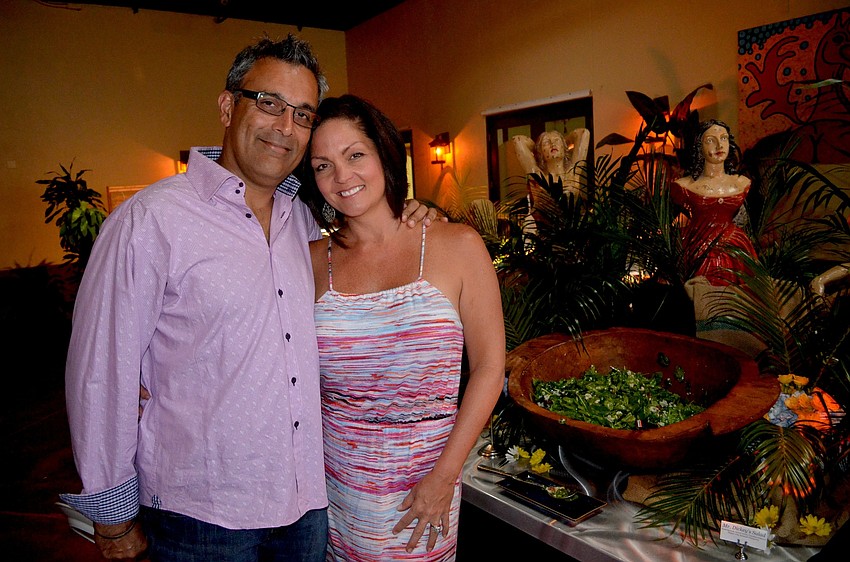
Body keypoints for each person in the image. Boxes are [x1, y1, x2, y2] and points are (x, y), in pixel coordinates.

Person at [60, 35, 436, 561]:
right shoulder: (151, 221)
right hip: (202, 516)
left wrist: (418, 213)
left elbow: (373, 238)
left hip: (308, 505)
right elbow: (102, 372)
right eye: (269, 104)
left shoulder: (305, 221)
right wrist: (112, 515)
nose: (286, 127)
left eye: (303, 114)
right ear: (226, 105)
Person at [300, 95, 505, 561]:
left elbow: (491, 369)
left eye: (355, 155)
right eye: (322, 166)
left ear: (385, 155)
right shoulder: (309, 260)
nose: (342, 177)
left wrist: (444, 478)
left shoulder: (458, 246)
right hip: (336, 492)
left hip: (426, 488)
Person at [671, 119, 758, 286]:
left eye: (724, 138)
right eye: (711, 140)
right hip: (698, 248)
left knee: (742, 295)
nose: (719, 145)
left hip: (735, 246)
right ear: (699, 147)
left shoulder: (743, 183)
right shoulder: (683, 186)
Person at [511, 128, 590, 197]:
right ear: (541, 152)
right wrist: (536, 148)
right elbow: (518, 140)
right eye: (546, 142)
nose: (553, 144)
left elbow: (583, 132)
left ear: (564, 147)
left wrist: (565, 141)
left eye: (557, 141)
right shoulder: (539, 177)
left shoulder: (573, 173)